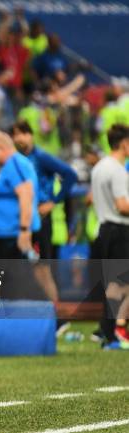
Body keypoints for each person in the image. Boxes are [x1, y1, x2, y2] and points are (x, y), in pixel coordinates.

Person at [12, 120, 78, 304]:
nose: (19, 138)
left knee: (42, 268)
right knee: (20, 267)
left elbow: (71, 175)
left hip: (40, 221)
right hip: (21, 220)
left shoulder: (41, 157)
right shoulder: (14, 159)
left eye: (22, 133)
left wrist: (53, 201)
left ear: (31, 135)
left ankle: (55, 315)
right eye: (15, 134)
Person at [90, 124, 129, 343]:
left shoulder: (100, 167)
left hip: (104, 228)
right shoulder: (117, 170)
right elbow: (122, 206)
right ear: (124, 144)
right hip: (119, 229)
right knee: (121, 283)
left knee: (114, 283)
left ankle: (107, 328)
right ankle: (117, 328)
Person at [0, 130, 40, 259]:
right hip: (6, 233)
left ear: (0, 149)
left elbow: (26, 195)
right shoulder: (11, 165)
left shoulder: (14, 164)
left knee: (14, 276)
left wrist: (24, 230)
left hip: (13, 234)